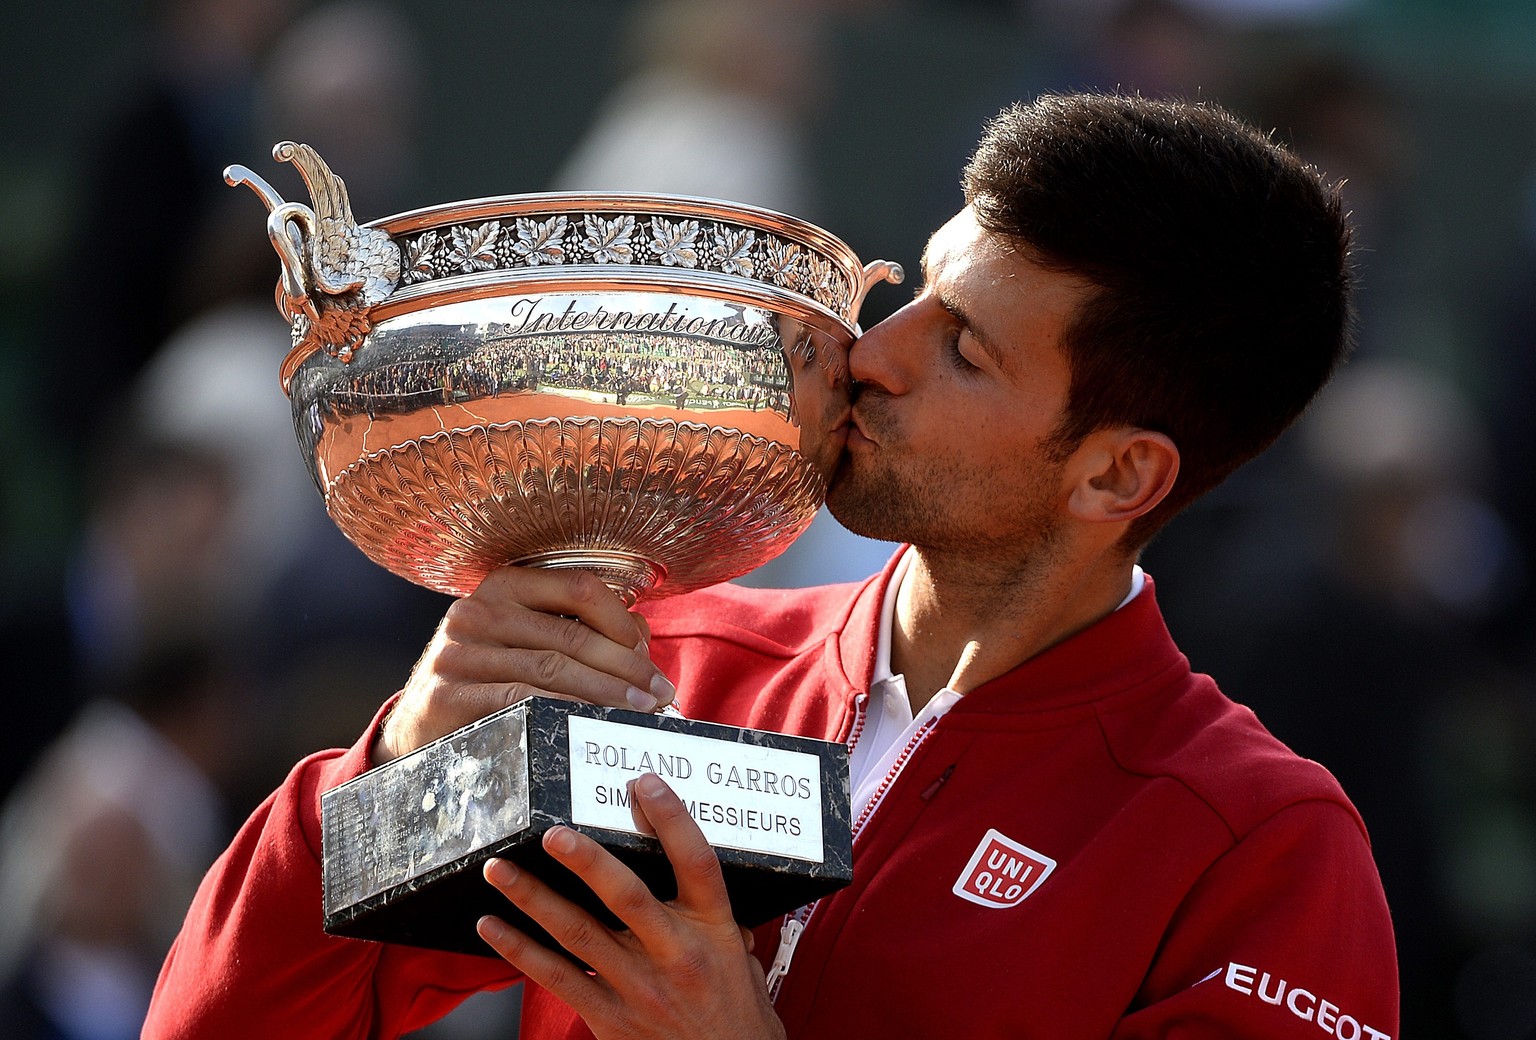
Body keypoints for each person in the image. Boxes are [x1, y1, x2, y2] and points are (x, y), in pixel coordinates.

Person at [143, 92, 1399, 1038]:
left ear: (1118, 475)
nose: (869, 352)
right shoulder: (656, 659)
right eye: (915, 291)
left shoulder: (1259, 847)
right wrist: (395, 778)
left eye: (964, 351)